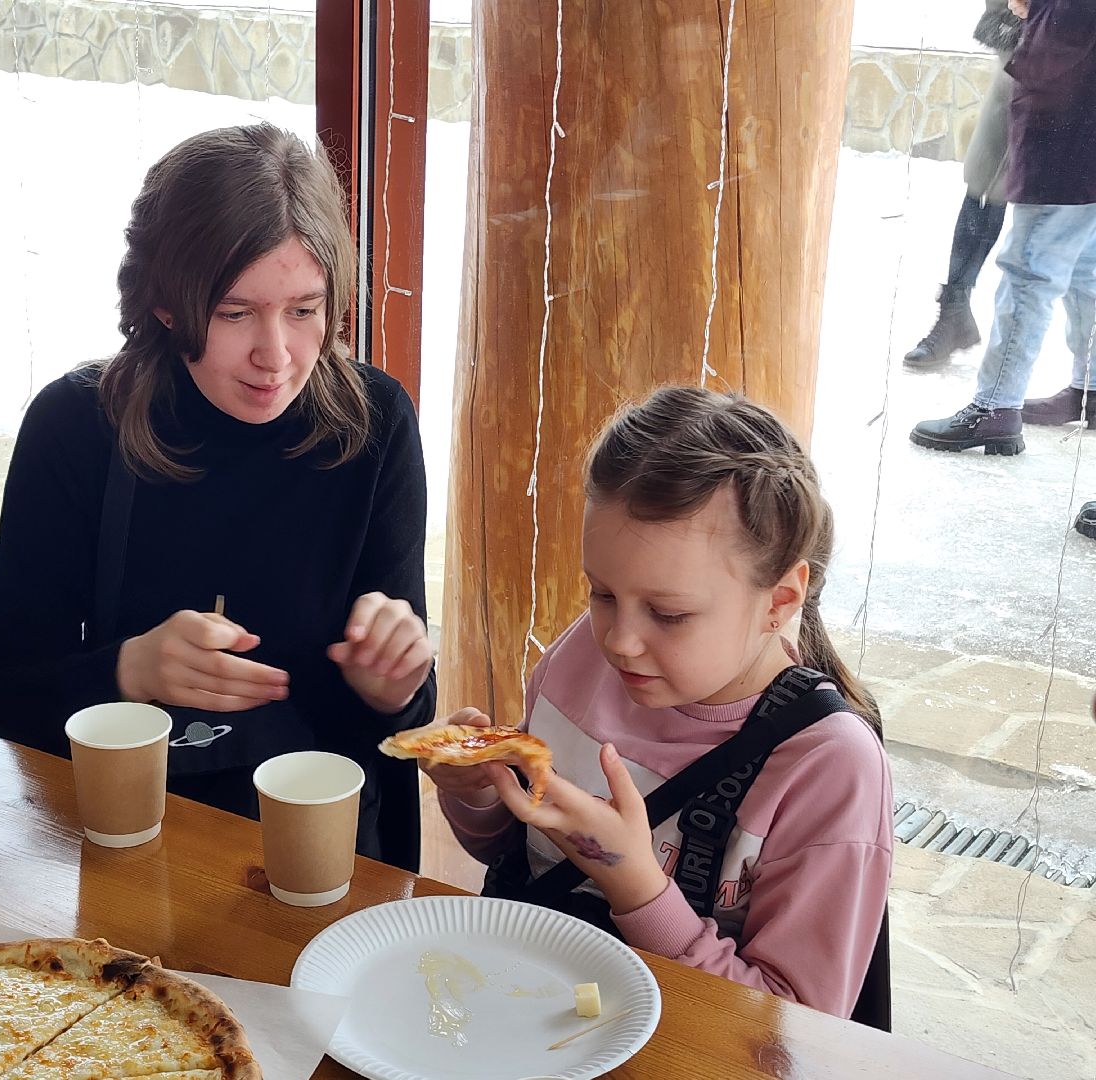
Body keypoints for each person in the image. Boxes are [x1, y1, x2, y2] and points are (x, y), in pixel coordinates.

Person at [0, 124, 436, 863]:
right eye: (234, 313)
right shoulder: (79, 424)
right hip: (124, 839)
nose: (275, 357)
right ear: (166, 303)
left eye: (306, 311)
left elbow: (408, 720)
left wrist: (395, 684)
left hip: (313, 853)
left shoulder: (374, 424)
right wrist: (129, 670)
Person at [423, 387, 892, 1019]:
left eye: (669, 614)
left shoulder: (829, 769)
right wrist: (476, 791)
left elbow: (793, 1029)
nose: (620, 641)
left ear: (780, 602)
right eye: (602, 593)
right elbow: (518, 860)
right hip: (521, 1013)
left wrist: (637, 886)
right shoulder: (578, 663)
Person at [911, 0, 1096, 454]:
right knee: (1083, 265)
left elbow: (1063, 32)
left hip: (1069, 123)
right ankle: (1089, 388)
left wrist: (1031, 11)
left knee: (1032, 269)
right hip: (1079, 119)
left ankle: (995, 406)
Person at [903, 0, 1022, 367]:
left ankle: (1086, 381)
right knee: (985, 184)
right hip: (1025, 55)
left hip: (1074, 62)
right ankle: (955, 310)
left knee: (1064, 236)